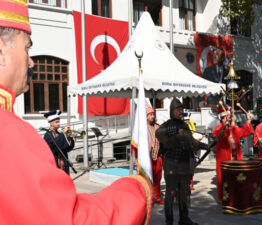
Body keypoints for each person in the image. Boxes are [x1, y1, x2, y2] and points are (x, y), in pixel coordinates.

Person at [0, 2, 152, 224]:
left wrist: (68, 137)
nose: (31, 61)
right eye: (27, 48)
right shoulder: (10, 132)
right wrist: (138, 188)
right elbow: (69, 218)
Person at [156, 98, 203, 225]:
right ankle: (169, 221)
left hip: (183, 165)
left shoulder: (185, 125)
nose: (181, 111)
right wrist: (175, 131)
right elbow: (158, 133)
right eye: (178, 109)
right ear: (172, 111)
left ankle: (184, 219)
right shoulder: (167, 124)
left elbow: (192, 142)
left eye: (182, 109)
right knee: (171, 194)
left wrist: (206, 146)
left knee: (183, 193)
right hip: (171, 165)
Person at [212, 106, 254, 202]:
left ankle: (237, 196)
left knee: (237, 177)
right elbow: (219, 137)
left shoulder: (234, 128)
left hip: (236, 159)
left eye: (229, 117)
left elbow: (244, 132)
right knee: (224, 178)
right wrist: (225, 127)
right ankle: (224, 198)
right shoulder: (217, 129)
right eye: (226, 117)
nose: (229, 119)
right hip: (224, 160)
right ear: (221, 118)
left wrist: (248, 120)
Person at [43, 110, 75, 175]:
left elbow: (67, 148)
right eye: (56, 122)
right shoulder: (47, 135)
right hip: (54, 162)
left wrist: (68, 137)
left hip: (63, 162)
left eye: (59, 122)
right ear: (50, 123)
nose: (58, 124)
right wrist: (63, 134)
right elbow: (55, 146)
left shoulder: (59, 134)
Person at [146, 103, 164, 205]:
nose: (153, 116)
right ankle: (149, 198)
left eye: (153, 114)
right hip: (148, 157)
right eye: (150, 115)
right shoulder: (143, 128)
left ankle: (157, 197)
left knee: (158, 177)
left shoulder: (157, 127)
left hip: (158, 156)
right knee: (148, 178)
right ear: (146, 116)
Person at [183, 111, 204, 191]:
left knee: (191, 168)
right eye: (186, 121)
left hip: (190, 152)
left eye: (188, 120)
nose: (187, 122)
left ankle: (190, 184)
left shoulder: (190, 128)